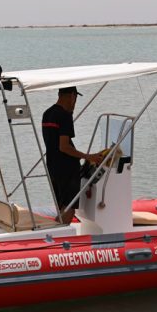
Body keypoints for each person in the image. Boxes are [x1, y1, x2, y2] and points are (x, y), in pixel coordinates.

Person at [41, 86, 104, 224]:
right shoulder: (64, 115)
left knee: (61, 207)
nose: (74, 103)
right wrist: (88, 157)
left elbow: (53, 143)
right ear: (72, 96)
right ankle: (58, 237)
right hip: (67, 169)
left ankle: (56, 233)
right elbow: (64, 146)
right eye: (75, 98)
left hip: (52, 165)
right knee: (69, 209)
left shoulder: (47, 114)